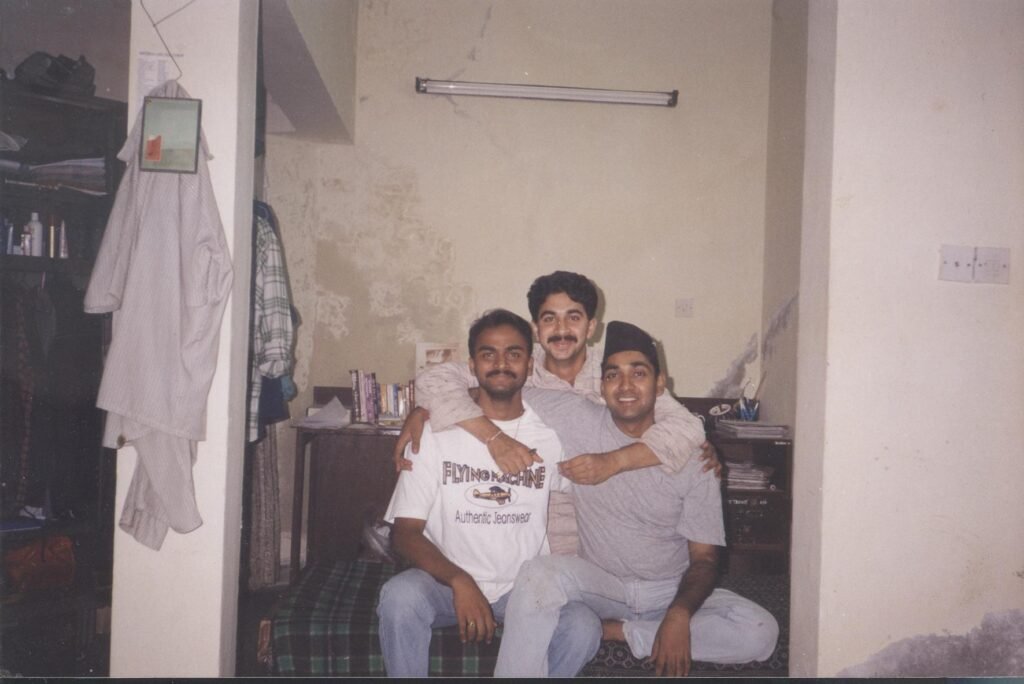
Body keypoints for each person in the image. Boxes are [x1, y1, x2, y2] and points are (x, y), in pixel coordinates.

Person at [493, 321, 779, 677]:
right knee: (538, 573)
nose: (625, 386)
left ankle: (620, 632)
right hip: (602, 586)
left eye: (638, 374)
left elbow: (705, 558)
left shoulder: (694, 458)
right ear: (601, 387)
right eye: (613, 375)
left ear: (660, 384)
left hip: (669, 589)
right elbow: (496, 388)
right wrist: (436, 412)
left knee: (759, 630)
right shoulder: (578, 417)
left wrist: (679, 614)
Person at [395, 271, 717, 553]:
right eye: (550, 319)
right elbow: (434, 380)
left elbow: (686, 427)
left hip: (608, 517)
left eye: (573, 318)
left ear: (591, 327)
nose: (562, 330)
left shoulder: (616, 371)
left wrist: (613, 462)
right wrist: (489, 436)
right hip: (529, 518)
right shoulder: (518, 362)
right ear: (536, 328)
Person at [375, 309, 591, 677]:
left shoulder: (551, 435)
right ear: (472, 365)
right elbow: (405, 532)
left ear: (530, 364)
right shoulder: (433, 433)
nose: (501, 364)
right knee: (399, 597)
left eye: (514, 353)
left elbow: (594, 484)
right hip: (444, 583)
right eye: (489, 354)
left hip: (524, 588)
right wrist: (460, 581)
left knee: (582, 627)